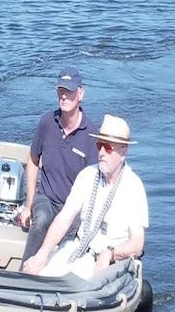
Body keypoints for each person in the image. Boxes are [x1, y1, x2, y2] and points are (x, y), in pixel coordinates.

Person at [25, 114, 147, 280]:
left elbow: (137, 244)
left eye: (108, 148)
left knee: (86, 287)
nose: (102, 152)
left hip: (111, 261)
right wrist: (42, 255)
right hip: (78, 250)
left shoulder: (133, 187)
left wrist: (109, 254)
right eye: (99, 146)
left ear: (123, 152)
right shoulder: (87, 176)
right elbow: (64, 219)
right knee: (41, 275)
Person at [17, 68, 101, 261]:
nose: (64, 96)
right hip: (46, 198)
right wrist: (29, 203)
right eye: (60, 91)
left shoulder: (91, 135)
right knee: (42, 220)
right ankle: (25, 274)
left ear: (80, 94)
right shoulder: (47, 122)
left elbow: (93, 183)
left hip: (72, 207)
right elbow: (32, 160)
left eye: (69, 91)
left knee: (70, 239)